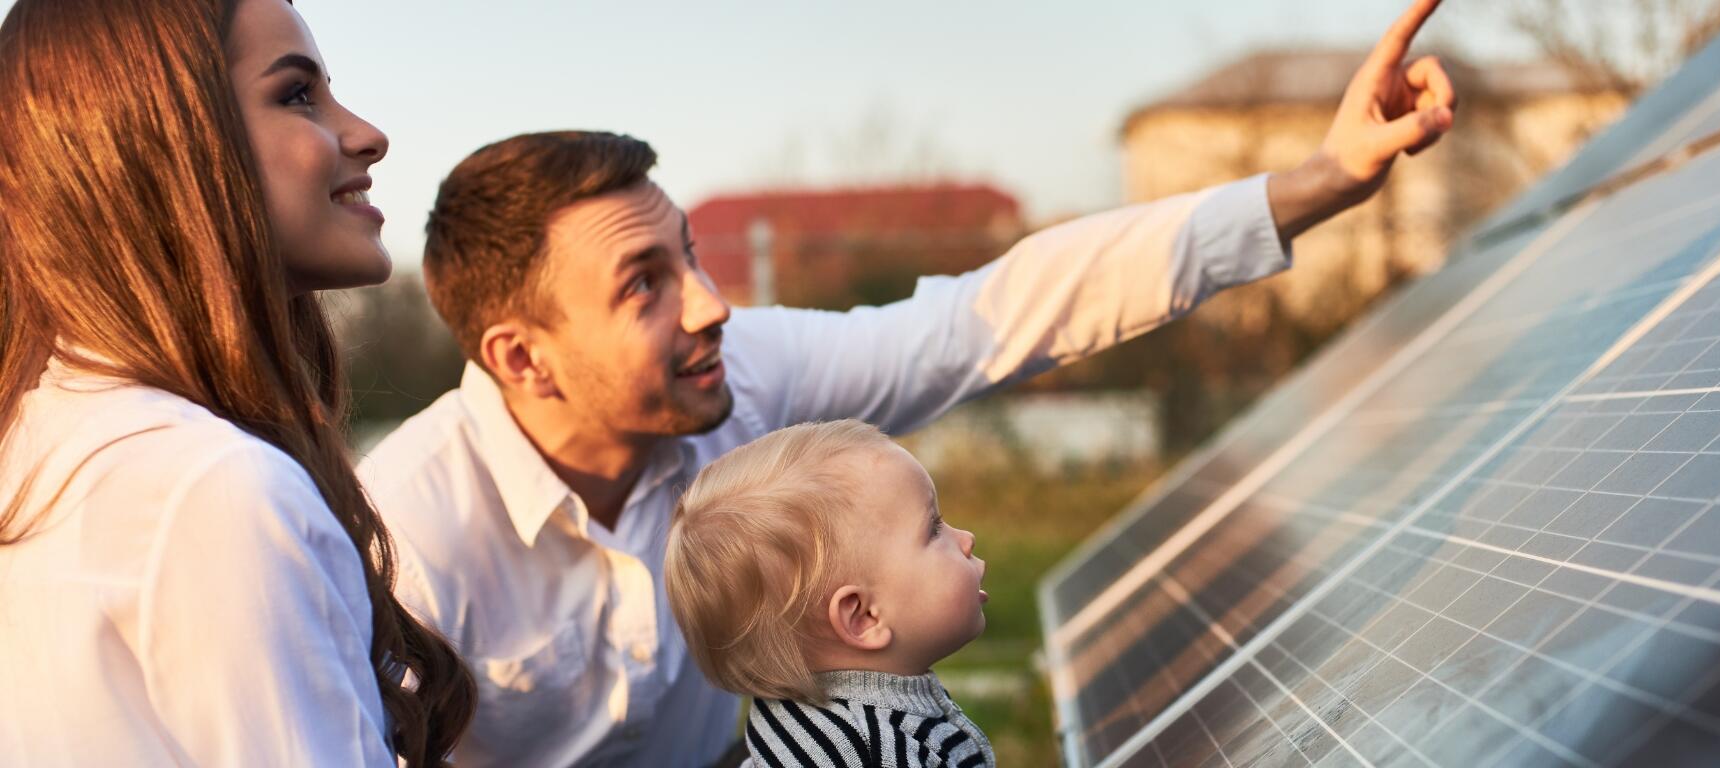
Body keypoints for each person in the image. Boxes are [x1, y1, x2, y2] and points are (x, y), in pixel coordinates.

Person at [358, 1, 1456, 764]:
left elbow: (992, 317)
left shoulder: (744, 380)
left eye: (689, 252)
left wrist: (1317, 183)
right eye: (645, 284)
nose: (710, 304)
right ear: (519, 356)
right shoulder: (406, 531)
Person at [0, 0, 474, 764]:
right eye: (296, 95)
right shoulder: (212, 490)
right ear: (157, 143)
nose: (366, 133)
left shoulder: (41, 435)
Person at [666, 420, 995, 767]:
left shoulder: (804, 720)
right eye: (933, 528)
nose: (966, 539)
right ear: (863, 616)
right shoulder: (870, 753)